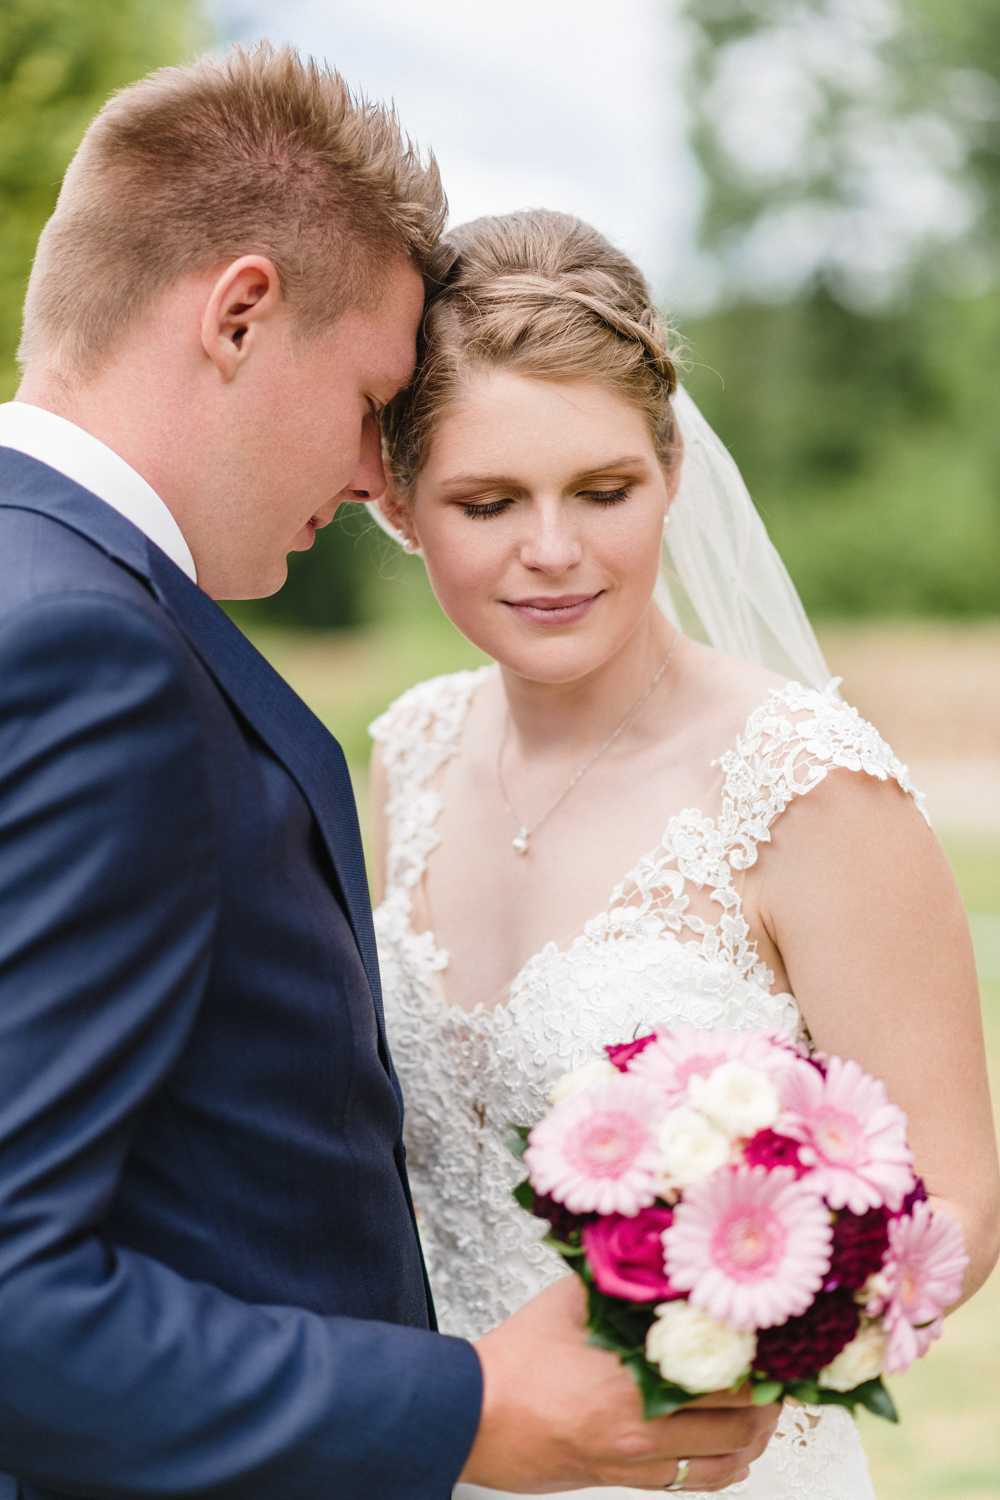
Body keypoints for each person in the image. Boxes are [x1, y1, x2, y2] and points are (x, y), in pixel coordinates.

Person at [0, 48, 779, 1500]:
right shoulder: (91, 650)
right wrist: (467, 1408)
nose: (378, 476)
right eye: (373, 396)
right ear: (240, 316)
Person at [369, 209, 1000, 1500]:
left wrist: (719, 1358)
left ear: (671, 471)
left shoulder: (805, 783)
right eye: (488, 502)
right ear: (402, 506)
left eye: (604, 490)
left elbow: (956, 1204)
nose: (554, 549)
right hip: (455, 1458)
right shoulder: (413, 752)